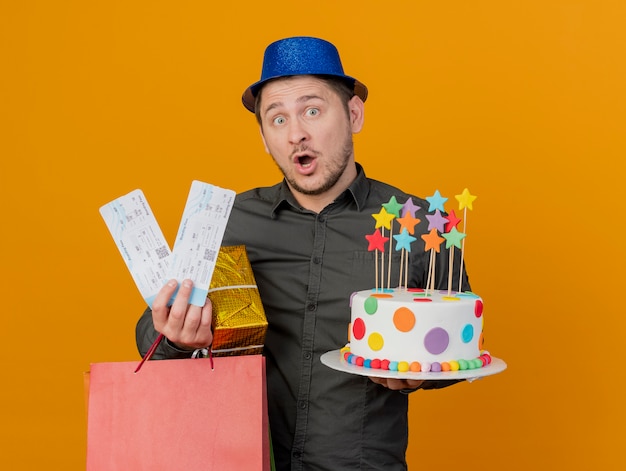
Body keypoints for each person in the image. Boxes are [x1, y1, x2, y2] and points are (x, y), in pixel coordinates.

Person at [136, 36, 469, 470]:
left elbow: (462, 350)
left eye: (312, 111)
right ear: (263, 136)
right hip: (242, 459)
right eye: (277, 119)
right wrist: (177, 339)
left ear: (353, 114)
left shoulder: (421, 226)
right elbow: (150, 338)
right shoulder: (223, 221)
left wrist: (419, 374)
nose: (296, 133)